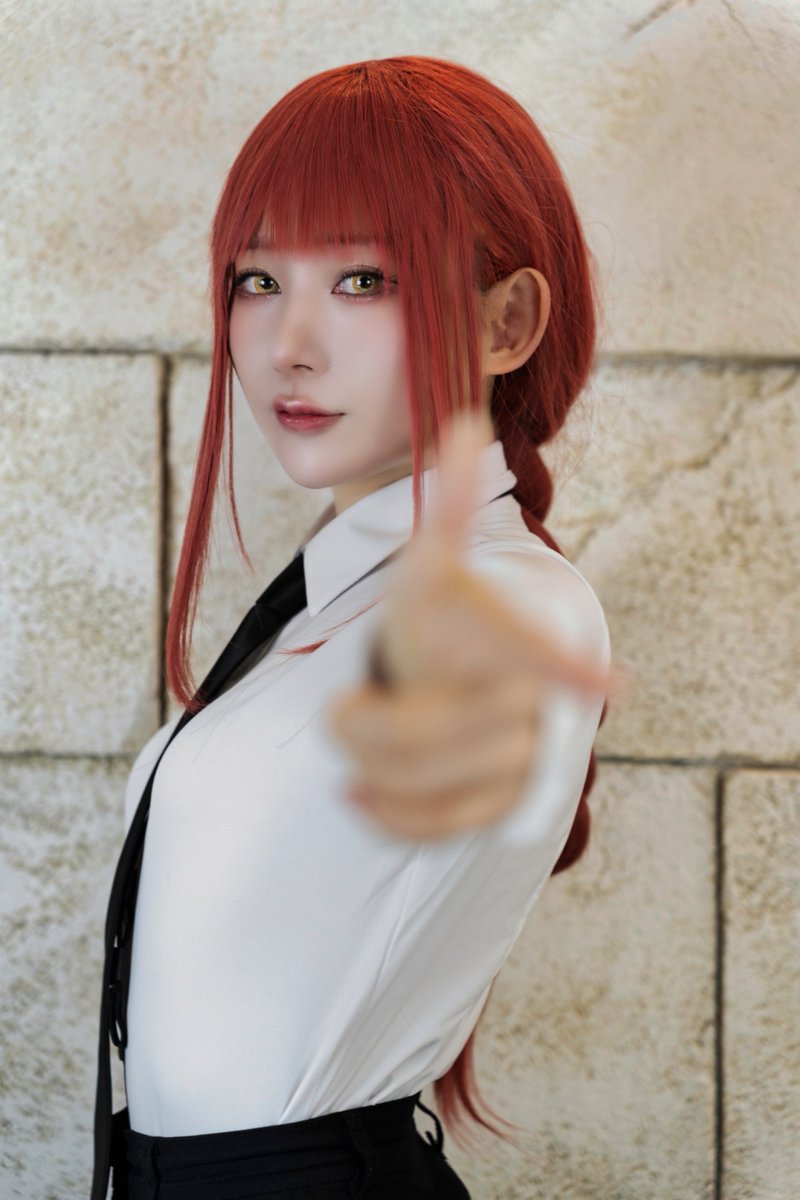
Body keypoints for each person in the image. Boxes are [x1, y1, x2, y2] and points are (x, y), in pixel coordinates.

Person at [93, 54, 614, 1200]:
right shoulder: (332, 601)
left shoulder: (508, 610)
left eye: (363, 280)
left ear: (507, 321)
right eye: (257, 278)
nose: (288, 342)